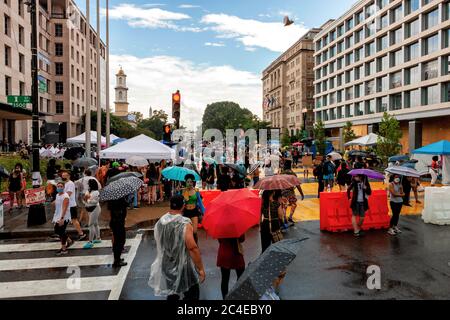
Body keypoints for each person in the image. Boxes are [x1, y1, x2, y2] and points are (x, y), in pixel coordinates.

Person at [148, 195, 206, 300]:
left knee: (172, 293)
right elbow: (192, 247)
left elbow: (159, 243)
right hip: (184, 265)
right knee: (192, 294)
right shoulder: (185, 223)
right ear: (183, 206)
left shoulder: (161, 221)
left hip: (167, 264)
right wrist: (200, 269)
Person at [62, 171, 87, 241]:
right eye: (62, 176)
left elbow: (68, 194)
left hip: (71, 205)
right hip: (67, 205)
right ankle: (60, 233)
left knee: (74, 220)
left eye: (65, 175)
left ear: (69, 176)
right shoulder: (66, 183)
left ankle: (81, 234)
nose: (63, 177)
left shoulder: (70, 183)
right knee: (64, 219)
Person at [182, 174, 205, 244]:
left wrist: (204, 212)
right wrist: (184, 193)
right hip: (186, 212)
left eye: (191, 182)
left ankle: (195, 247)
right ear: (186, 182)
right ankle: (187, 246)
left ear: (193, 183)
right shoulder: (183, 191)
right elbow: (184, 201)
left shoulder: (196, 190)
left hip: (194, 211)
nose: (189, 183)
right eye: (188, 182)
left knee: (194, 231)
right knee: (186, 231)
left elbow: (200, 202)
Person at [53, 181, 74, 255]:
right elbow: (57, 207)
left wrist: (62, 218)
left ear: (64, 187)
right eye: (58, 186)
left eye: (61, 186)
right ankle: (69, 240)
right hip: (58, 215)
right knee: (57, 230)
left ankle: (64, 249)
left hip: (64, 216)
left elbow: (64, 208)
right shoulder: (57, 195)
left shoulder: (65, 196)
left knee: (61, 231)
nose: (59, 188)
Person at [108, 196, 128, 267]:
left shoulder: (111, 199)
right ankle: (117, 260)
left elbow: (110, 211)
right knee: (120, 241)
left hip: (114, 222)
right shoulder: (121, 199)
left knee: (117, 241)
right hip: (119, 222)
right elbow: (125, 208)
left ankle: (117, 258)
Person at [82, 179, 102, 249]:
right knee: (95, 224)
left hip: (95, 209)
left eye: (89, 183)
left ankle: (90, 241)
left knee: (90, 224)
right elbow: (84, 199)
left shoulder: (96, 192)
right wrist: (85, 200)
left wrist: (88, 200)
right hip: (89, 209)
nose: (88, 185)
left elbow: (95, 202)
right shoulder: (88, 191)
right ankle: (98, 238)